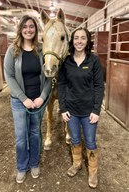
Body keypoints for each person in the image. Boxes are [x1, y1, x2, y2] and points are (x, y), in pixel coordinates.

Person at [4, 15, 51, 184]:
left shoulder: (41, 49)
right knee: (21, 135)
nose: (28, 30)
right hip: (19, 101)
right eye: (25, 27)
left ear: (36, 29)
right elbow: (9, 77)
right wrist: (23, 98)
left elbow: (48, 76)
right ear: (20, 30)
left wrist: (42, 97)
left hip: (38, 100)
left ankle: (34, 163)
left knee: (35, 133)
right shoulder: (12, 51)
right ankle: (22, 166)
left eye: (31, 26)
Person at [57, 27, 104, 188]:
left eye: (83, 38)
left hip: (89, 111)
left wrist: (96, 110)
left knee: (90, 142)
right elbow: (61, 85)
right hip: (71, 111)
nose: (79, 41)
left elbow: (99, 86)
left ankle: (93, 171)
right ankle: (77, 163)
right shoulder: (66, 61)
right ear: (72, 41)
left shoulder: (94, 61)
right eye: (76, 38)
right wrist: (63, 108)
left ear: (87, 40)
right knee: (75, 139)